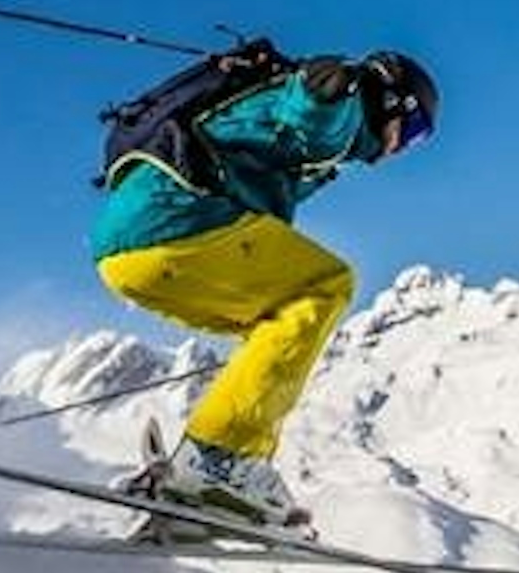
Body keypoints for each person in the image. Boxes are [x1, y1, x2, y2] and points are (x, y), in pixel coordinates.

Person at [90, 43, 437, 530]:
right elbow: (312, 111)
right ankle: (219, 461)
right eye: (415, 133)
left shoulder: (303, 133)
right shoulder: (348, 114)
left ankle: (199, 481)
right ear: (394, 104)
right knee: (326, 286)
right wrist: (326, 89)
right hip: (179, 223)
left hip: (125, 252)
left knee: (280, 323)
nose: (403, 148)